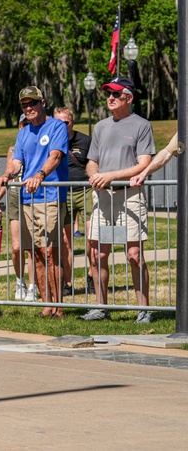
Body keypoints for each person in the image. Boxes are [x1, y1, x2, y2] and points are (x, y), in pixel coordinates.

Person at [81, 76, 155, 323]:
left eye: (115, 94)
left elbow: (144, 164)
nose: (110, 98)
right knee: (97, 255)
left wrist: (110, 176)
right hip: (103, 197)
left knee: (134, 254)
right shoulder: (101, 126)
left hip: (129, 197)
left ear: (129, 97)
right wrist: (94, 175)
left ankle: (144, 310)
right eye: (108, 94)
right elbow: (92, 161)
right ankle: (101, 308)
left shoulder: (141, 125)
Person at [0, 86, 68, 318]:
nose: (28, 108)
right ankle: (46, 306)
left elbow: (56, 156)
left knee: (49, 252)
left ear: (42, 102)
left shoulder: (56, 126)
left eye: (32, 103)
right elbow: (17, 163)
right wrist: (5, 176)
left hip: (51, 196)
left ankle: (59, 306)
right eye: (24, 105)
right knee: (35, 253)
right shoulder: (23, 133)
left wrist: (40, 175)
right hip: (27, 198)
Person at [0, 114, 35, 301]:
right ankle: (20, 282)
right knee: (17, 247)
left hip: (34, 196)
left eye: (31, 123)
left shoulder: (40, 144)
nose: (28, 126)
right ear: (20, 126)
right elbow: (9, 174)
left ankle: (33, 286)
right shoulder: (13, 149)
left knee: (33, 246)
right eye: (25, 124)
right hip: (15, 196)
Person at [54, 107, 92, 296]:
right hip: (63, 193)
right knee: (65, 241)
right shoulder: (52, 141)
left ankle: (92, 275)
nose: (62, 126)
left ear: (73, 122)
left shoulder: (85, 140)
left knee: (93, 237)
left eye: (66, 123)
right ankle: (68, 283)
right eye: (58, 123)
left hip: (86, 190)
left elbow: (94, 163)